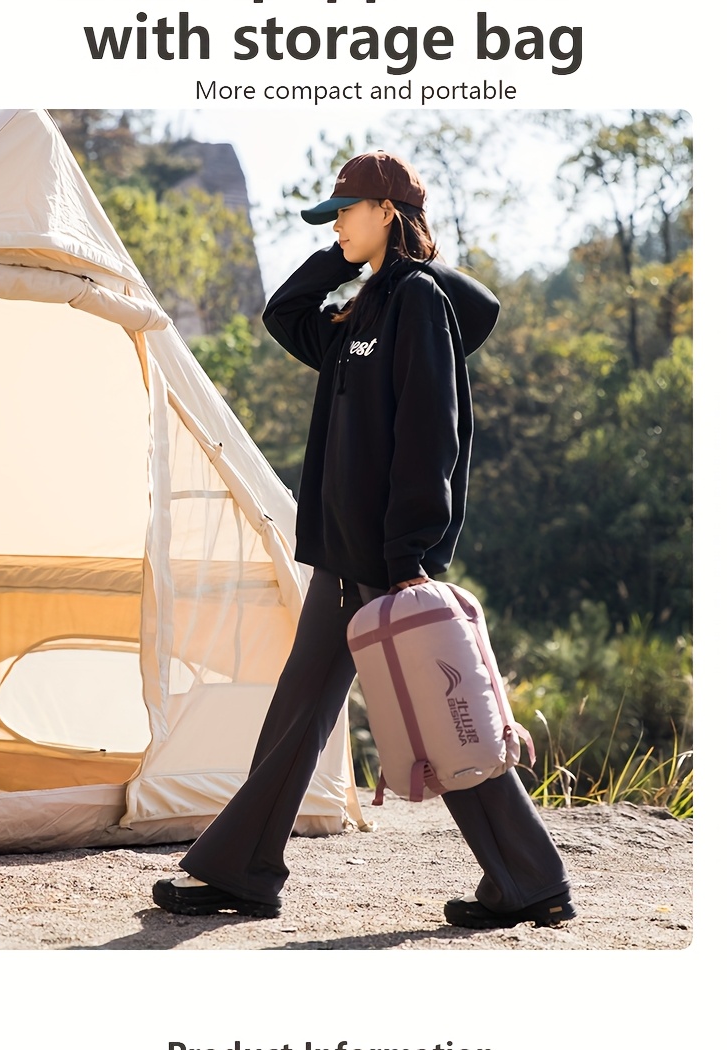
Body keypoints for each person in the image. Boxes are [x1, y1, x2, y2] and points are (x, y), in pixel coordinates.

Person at [152, 151, 576, 929]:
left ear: (387, 211)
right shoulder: (362, 308)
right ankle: (244, 868)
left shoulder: (418, 302)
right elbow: (285, 315)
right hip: (343, 557)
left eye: (346, 211)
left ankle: (530, 877)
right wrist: (344, 255)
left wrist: (410, 555)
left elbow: (430, 433)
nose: (336, 225)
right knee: (299, 713)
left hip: (387, 559)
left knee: (443, 716)